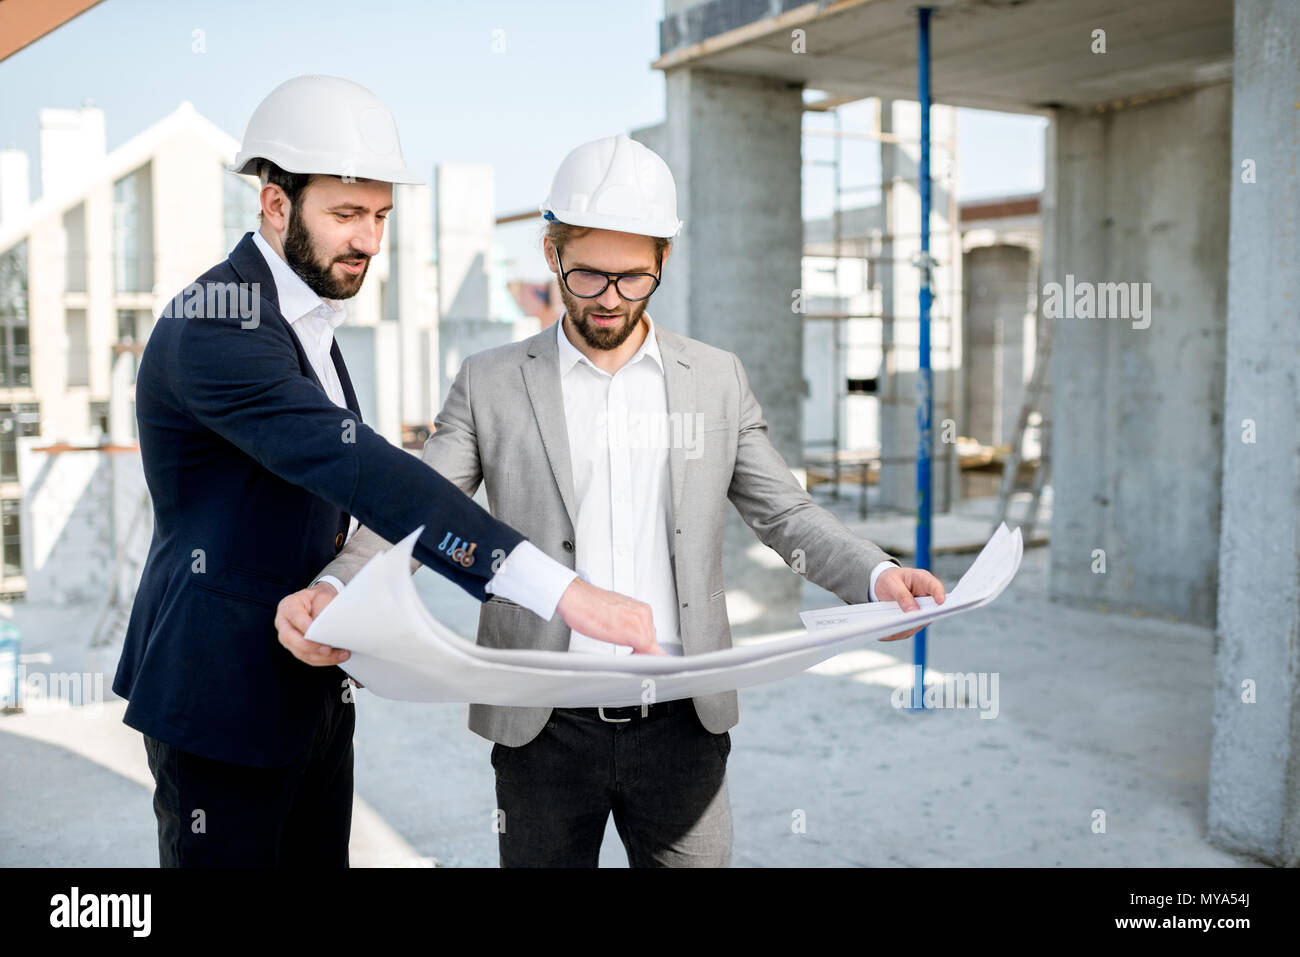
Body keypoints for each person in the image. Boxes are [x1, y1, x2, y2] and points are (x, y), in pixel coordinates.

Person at [285, 133, 945, 867]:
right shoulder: (491, 381)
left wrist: (877, 576)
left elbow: (784, 513)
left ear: (663, 259)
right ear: (551, 254)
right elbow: (417, 506)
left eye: (632, 278)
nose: (608, 298)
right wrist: (337, 586)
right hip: (542, 724)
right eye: (587, 274)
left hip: (683, 724)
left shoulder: (715, 379)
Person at [114, 80, 658, 869]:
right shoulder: (217, 323)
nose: (369, 240)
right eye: (345, 215)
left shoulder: (306, 320)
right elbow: (366, 471)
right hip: (220, 693)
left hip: (315, 683)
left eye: (379, 217)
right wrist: (561, 590)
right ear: (274, 205)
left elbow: (330, 505)